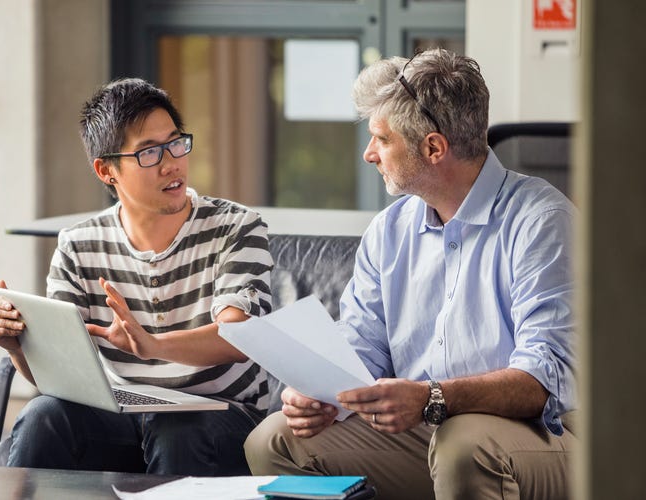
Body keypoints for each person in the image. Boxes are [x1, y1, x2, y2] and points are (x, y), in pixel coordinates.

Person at [244, 48, 577, 499]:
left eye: (381, 139)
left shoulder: (541, 221)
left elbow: (544, 380)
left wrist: (431, 397)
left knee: (463, 445)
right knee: (274, 440)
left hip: (548, 437)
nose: (368, 154)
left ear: (433, 147)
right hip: (432, 432)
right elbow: (362, 345)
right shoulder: (389, 230)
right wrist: (320, 395)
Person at [0, 78, 274, 475]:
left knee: (176, 429)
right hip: (123, 414)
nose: (172, 162)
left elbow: (240, 338)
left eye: (175, 142)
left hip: (222, 417)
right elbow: (59, 376)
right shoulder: (78, 245)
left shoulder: (237, 227)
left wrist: (152, 345)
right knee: (44, 416)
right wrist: (18, 346)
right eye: (149, 153)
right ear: (107, 171)